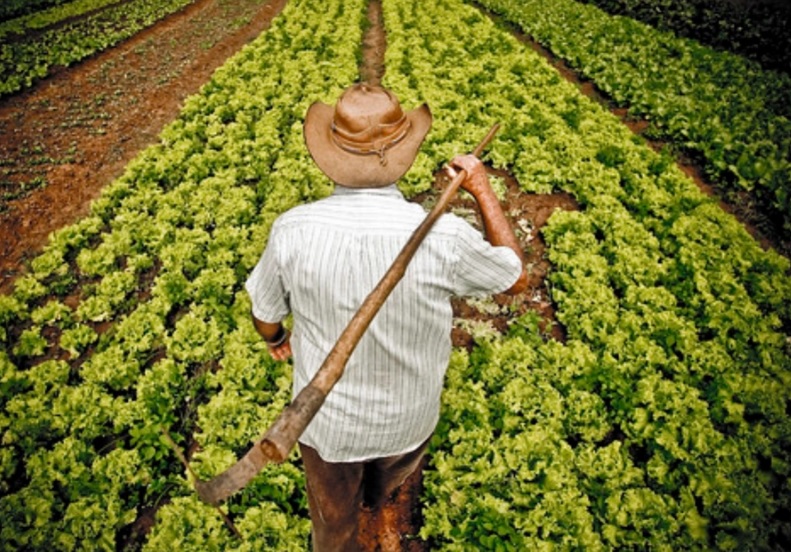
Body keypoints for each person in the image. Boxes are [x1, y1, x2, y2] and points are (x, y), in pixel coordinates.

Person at [245, 83, 527, 551]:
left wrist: (276, 339)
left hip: (326, 426)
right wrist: (481, 189)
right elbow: (513, 278)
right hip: (408, 418)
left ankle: (350, 526)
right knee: (389, 479)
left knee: (333, 525)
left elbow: (265, 315)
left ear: (330, 152)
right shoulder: (444, 235)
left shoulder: (292, 229)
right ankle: (379, 503)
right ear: (406, 153)